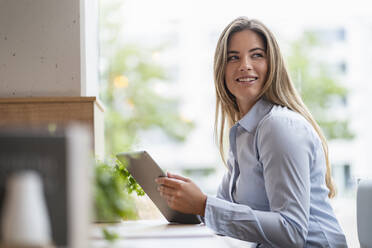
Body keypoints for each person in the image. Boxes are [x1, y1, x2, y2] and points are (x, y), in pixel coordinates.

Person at [155, 17, 348, 247]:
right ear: (222, 70)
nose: (244, 65)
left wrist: (204, 205)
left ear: (272, 64)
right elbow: (226, 211)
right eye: (233, 57)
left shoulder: (278, 126)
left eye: (256, 55)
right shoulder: (243, 132)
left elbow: (292, 232)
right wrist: (188, 201)